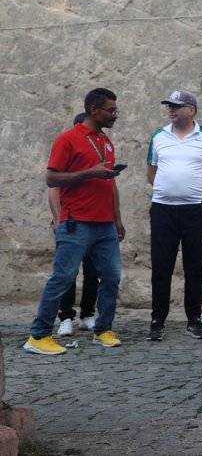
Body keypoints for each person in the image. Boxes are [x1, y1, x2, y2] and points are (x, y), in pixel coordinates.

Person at [25, 88, 126, 355]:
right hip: (76, 222)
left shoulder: (105, 141)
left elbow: (110, 184)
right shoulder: (67, 140)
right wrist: (88, 173)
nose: (115, 115)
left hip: (105, 224)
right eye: (111, 110)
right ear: (95, 109)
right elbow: (51, 179)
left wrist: (117, 219)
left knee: (112, 277)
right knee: (63, 278)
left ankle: (102, 330)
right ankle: (38, 336)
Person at [146, 90, 202, 341]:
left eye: (177, 106)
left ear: (191, 110)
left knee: (194, 267)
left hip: (196, 210)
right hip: (163, 209)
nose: (171, 110)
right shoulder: (159, 136)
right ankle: (157, 320)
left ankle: (194, 320)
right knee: (161, 266)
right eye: (169, 106)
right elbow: (151, 173)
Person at [50, 112, 99, 337]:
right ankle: (66, 317)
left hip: (94, 221)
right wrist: (59, 219)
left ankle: (88, 314)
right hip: (69, 222)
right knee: (66, 273)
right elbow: (53, 189)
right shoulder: (67, 151)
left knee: (92, 270)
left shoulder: (97, 152)